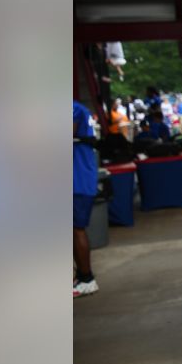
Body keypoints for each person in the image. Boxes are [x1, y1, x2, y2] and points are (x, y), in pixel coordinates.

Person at [73, 100, 100, 298]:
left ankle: (87, 278)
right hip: (77, 178)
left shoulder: (72, 108)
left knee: (76, 229)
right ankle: (81, 276)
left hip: (78, 180)